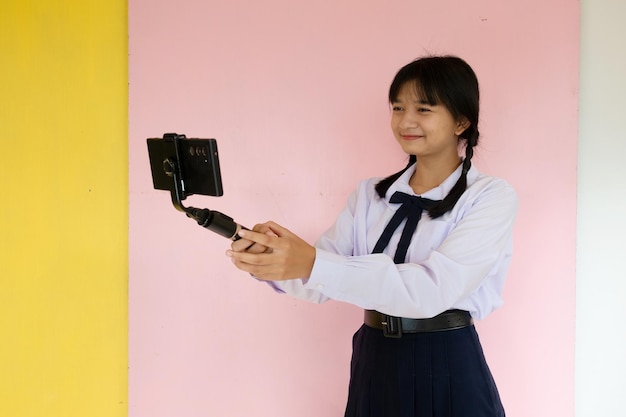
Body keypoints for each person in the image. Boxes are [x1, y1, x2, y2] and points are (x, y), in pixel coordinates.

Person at [226, 55, 518, 417]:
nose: (405, 121)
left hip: (446, 358)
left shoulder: (489, 197)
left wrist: (312, 262)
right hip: (375, 354)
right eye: (398, 107)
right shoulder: (370, 195)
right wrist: (272, 260)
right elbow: (320, 279)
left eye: (423, 109)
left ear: (461, 121)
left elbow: (433, 289)